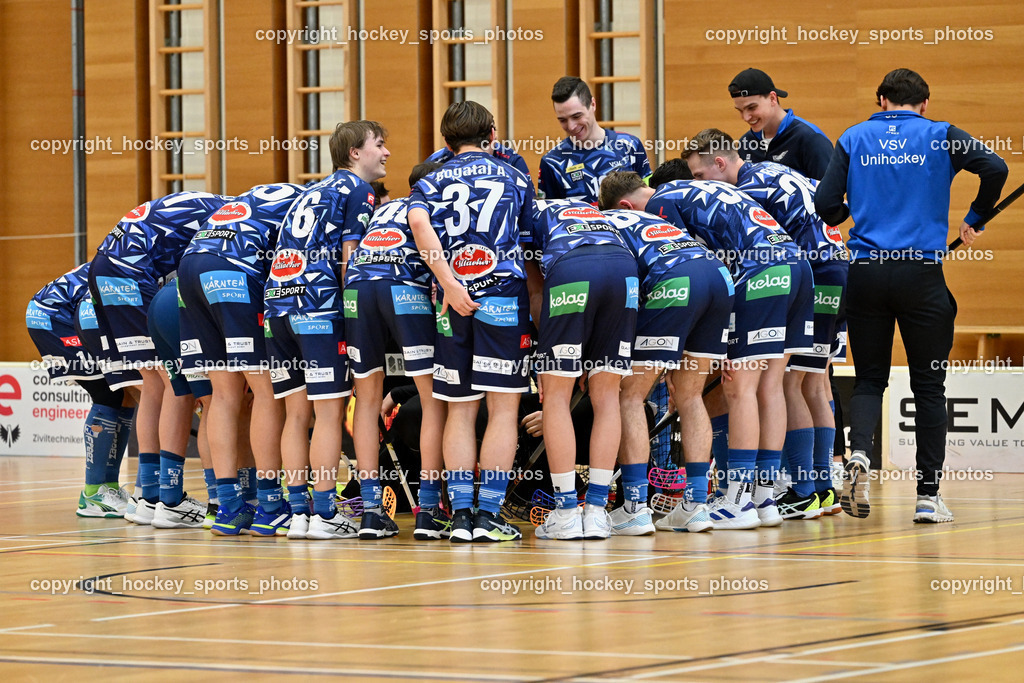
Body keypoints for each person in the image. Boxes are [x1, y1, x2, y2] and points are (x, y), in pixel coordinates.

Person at [815, 68, 1008, 523]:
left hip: (865, 274)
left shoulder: (854, 136)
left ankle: (859, 454)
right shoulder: (940, 133)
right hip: (921, 276)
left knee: (869, 379)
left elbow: (825, 206)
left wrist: (852, 210)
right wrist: (976, 217)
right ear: (924, 104)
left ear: (882, 100)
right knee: (928, 385)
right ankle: (926, 496)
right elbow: (995, 167)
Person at [599, 170, 814, 530]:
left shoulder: (660, 205)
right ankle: (763, 499)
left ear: (625, 206)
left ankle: (737, 500)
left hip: (760, 271)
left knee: (739, 388)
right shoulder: (690, 188)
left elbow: (687, 263)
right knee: (770, 386)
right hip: (797, 264)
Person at [685, 128, 848, 519]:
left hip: (808, 272)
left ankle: (803, 489)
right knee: (813, 379)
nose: (701, 188)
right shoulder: (776, 172)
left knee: (788, 381)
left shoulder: (747, 190)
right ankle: (822, 488)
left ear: (720, 163)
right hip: (836, 265)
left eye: (701, 177)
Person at [408, 100, 535, 543]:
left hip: (452, 303)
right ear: (492, 134)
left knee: (460, 410)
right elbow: (529, 240)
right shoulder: (516, 175)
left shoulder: (430, 177)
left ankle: (460, 515)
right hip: (503, 298)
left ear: (446, 142)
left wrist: (449, 282)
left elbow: (419, 225)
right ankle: (489, 515)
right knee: (503, 408)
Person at [263, 120, 388, 540]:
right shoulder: (359, 191)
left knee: (296, 415)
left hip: (277, 307)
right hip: (317, 309)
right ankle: (325, 512)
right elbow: (350, 260)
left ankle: (298, 512)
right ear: (356, 152)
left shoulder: (310, 191)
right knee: (329, 412)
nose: (386, 153)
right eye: (379, 145)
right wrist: (358, 323)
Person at [600, 164, 733, 534]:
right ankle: (695, 505)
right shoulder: (664, 219)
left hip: (676, 280)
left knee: (630, 395)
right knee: (689, 397)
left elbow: (616, 282)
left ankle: (634, 507)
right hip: (718, 276)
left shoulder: (607, 220)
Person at [88, 191, 229, 528]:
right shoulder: (232, 221)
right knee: (180, 385)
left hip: (104, 266)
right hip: (133, 271)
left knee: (153, 383)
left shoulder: (222, 205)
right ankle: (176, 499)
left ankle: (147, 496)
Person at [177, 182, 304, 536]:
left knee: (224, 395)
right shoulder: (319, 202)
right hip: (233, 271)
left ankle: (229, 506)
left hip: (189, 269)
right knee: (266, 391)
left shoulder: (263, 193)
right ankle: (269, 505)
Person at [343, 161, 450, 540]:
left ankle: (371, 511)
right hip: (403, 289)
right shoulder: (439, 203)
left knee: (366, 400)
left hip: (356, 288)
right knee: (432, 399)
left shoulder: (384, 208)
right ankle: (429, 509)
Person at [527, 199, 638, 541]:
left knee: (556, 399)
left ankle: (565, 513)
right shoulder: (593, 212)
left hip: (573, 268)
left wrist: (548, 357)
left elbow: (535, 292)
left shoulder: (528, 212)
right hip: (624, 270)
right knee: (607, 397)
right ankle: (597, 511)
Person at [27, 262, 134, 517]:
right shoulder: (132, 264)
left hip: (73, 312)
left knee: (124, 393)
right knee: (107, 393)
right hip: (54, 316)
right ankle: (93, 492)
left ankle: (108, 487)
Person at [539, 76, 651, 203]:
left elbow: (650, 200)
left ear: (593, 104)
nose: (571, 126)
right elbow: (548, 216)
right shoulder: (552, 162)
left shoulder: (630, 146)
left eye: (577, 116)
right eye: (563, 120)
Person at [728, 68, 834, 180]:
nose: (745, 117)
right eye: (740, 110)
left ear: (773, 98)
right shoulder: (746, 142)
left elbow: (830, 194)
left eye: (751, 108)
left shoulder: (811, 139)